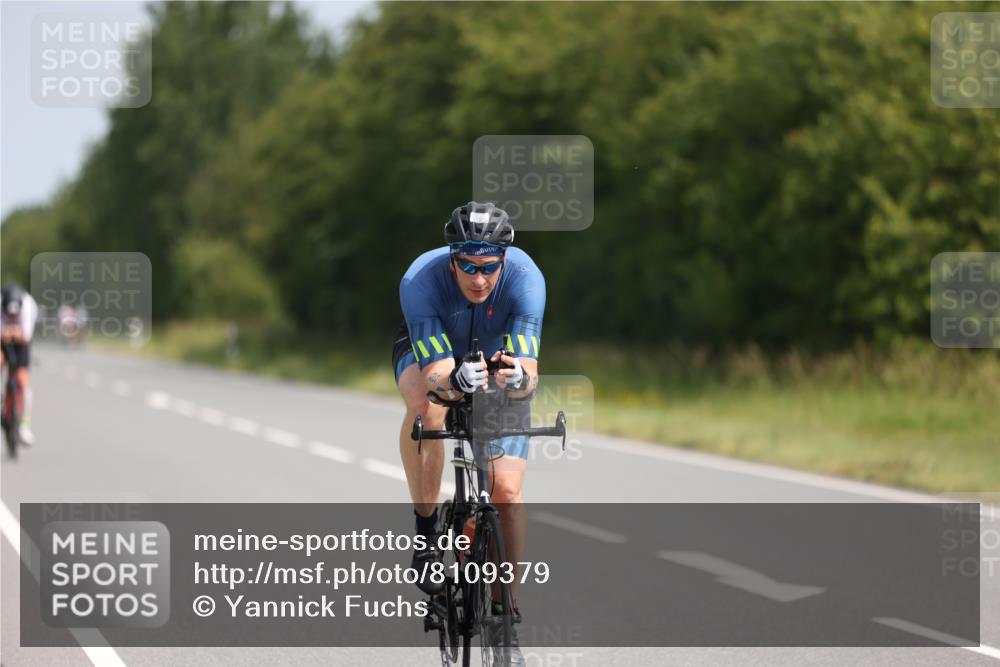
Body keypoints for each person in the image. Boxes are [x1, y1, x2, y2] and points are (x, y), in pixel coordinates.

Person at [394, 201, 544, 663]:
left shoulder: (526, 279)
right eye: (467, 266)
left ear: (504, 260)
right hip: (432, 352)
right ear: (452, 256)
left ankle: (505, 614)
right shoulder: (422, 279)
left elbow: (530, 371)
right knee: (428, 406)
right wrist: (454, 382)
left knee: (507, 493)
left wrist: (518, 378)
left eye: (488, 268)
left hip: (495, 360)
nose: (478, 279)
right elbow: (437, 374)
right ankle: (425, 531)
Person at [1, 284, 40, 445]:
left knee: (23, 382)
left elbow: (26, 336)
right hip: (2, 339)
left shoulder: (29, 306)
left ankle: (24, 426)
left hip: (22, 342)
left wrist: (15, 334)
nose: (11, 317)